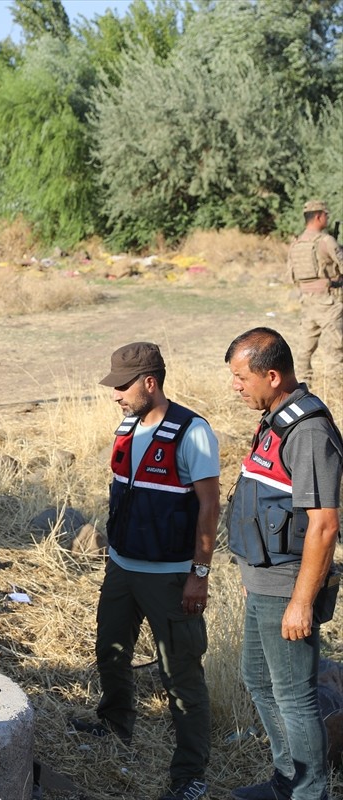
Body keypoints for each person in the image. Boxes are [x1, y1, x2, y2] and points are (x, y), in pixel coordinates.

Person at [69, 343, 218, 800]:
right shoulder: (128, 424)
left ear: (149, 382)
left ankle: (190, 774)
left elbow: (210, 506)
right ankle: (115, 724)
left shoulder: (193, 432)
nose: (114, 393)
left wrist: (199, 574)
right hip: (122, 568)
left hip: (172, 575)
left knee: (182, 676)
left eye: (122, 385)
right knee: (110, 652)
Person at [224, 327, 342, 800]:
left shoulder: (308, 429)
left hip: (289, 586)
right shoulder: (275, 416)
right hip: (264, 580)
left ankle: (308, 791)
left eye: (241, 377)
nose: (235, 386)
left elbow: (324, 525)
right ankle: (286, 780)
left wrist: (301, 602)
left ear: (272, 375)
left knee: (295, 696)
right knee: (258, 679)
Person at [287, 199, 343, 387]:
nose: (327, 217)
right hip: (328, 302)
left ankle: (302, 388)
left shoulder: (296, 243)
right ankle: (335, 391)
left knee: (304, 351)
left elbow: (291, 276)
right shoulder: (326, 241)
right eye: (326, 214)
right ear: (319, 216)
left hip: (306, 303)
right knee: (336, 349)